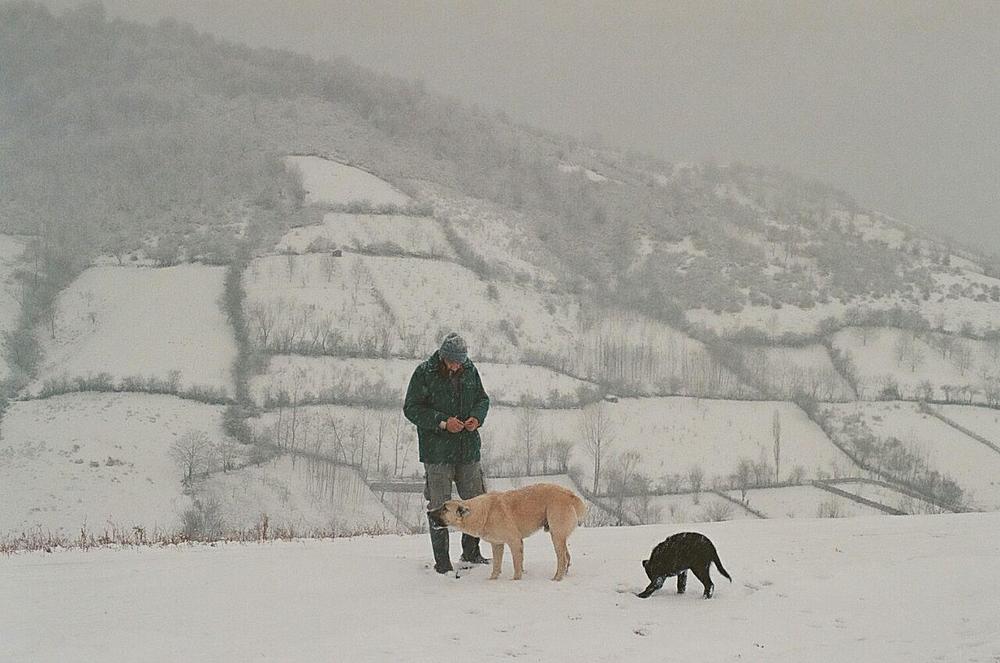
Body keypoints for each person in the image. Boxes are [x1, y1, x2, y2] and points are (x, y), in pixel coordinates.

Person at [403, 332, 491, 574]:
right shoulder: (424, 373)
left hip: (468, 450)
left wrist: (476, 418)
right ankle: (442, 563)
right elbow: (411, 408)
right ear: (442, 357)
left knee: (475, 502)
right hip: (437, 453)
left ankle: (472, 553)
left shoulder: (470, 371)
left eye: (460, 362)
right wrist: (442, 422)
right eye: (453, 362)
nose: (457, 366)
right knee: (439, 507)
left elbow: (482, 400)